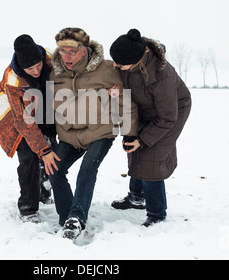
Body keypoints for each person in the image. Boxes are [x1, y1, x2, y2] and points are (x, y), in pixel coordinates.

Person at [48, 27, 138, 239]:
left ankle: (77, 217)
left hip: (101, 132)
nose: (66, 56)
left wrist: (130, 133)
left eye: (72, 51)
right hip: (70, 135)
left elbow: (125, 101)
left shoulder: (106, 69)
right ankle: (67, 218)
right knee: (54, 169)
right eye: (62, 51)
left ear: (84, 50)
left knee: (88, 168)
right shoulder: (56, 72)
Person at [109, 29, 192, 227]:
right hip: (145, 108)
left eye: (119, 63)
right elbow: (122, 85)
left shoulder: (162, 76)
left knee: (151, 160)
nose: (115, 65)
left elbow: (167, 118)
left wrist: (143, 139)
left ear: (135, 60)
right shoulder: (127, 64)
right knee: (133, 149)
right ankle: (136, 197)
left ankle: (157, 214)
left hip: (172, 112)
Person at [0, 34, 61, 223]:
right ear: (22, 67)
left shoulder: (50, 57)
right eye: (30, 69)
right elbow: (24, 122)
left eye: (38, 65)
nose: (36, 70)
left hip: (44, 106)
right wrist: (42, 149)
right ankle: (28, 207)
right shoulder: (13, 80)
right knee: (29, 155)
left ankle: (44, 190)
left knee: (50, 147)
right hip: (14, 117)